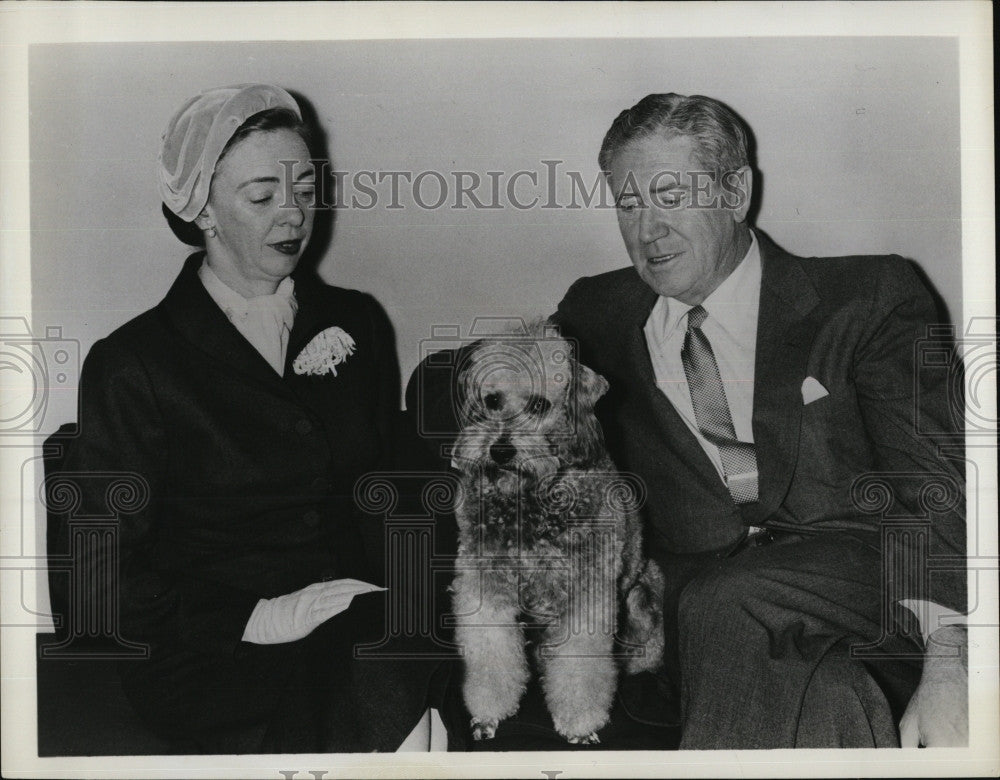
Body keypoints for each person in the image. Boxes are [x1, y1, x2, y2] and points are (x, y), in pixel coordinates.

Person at [549, 93, 968, 748]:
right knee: (828, 695)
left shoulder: (866, 296)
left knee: (733, 594)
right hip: (699, 637)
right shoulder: (595, 313)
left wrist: (952, 663)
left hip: (861, 591)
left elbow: (932, 486)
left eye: (668, 195)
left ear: (735, 191)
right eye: (628, 204)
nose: (647, 229)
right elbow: (486, 378)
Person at [55, 84, 453, 753]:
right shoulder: (133, 364)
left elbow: (394, 488)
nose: (295, 214)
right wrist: (259, 616)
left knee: (393, 662)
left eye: (305, 188)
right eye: (263, 195)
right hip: (212, 652)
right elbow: (97, 577)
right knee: (384, 680)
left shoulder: (355, 321)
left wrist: (414, 582)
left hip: (360, 615)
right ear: (202, 210)